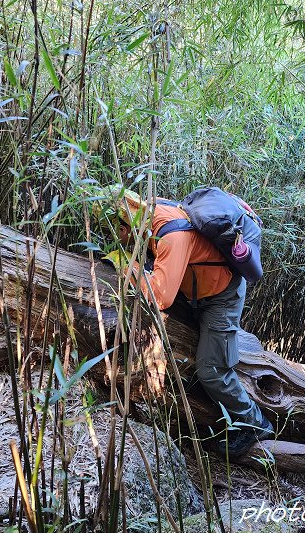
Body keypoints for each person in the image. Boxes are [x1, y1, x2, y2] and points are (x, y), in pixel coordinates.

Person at [104, 186, 274, 457]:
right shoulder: (150, 211)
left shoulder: (172, 236)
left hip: (222, 295)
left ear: (127, 224)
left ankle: (255, 423)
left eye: (116, 230)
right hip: (191, 288)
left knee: (212, 370)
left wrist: (127, 267)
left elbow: (160, 297)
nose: (116, 237)